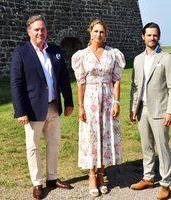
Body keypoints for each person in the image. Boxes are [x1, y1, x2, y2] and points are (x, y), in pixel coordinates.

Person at [10, 15, 74, 200]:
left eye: (43, 29)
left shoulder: (55, 50)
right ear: (29, 31)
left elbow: (63, 78)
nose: (40, 32)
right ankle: (37, 183)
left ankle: (52, 178)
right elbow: (16, 84)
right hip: (32, 110)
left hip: (53, 107)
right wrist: (20, 111)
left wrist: (68, 101)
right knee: (33, 147)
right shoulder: (21, 53)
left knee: (54, 143)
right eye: (36, 29)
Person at [71, 19, 125, 197]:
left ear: (105, 34)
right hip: (90, 100)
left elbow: (117, 80)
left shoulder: (113, 54)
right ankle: (92, 174)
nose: (99, 35)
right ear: (90, 32)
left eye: (102, 32)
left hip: (108, 99)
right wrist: (80, 107)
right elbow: (80, 83)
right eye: (96, 31)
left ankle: (102, 173)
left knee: (105, 135)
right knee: (92, 136)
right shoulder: (82, 55)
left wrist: (116, 102)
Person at [129, 22, 171, 200]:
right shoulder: (138, 59)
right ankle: (148, 177)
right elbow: (134, 86)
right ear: (143, 36)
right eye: (149, 35)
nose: (152, 38)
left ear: (158, 37)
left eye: (155, 35)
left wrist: (169, 111)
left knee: (162, 148)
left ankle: (166, 184)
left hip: (160, 110)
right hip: (142, 109)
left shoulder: (167, 58)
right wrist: (133, 108)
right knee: (146, 146)